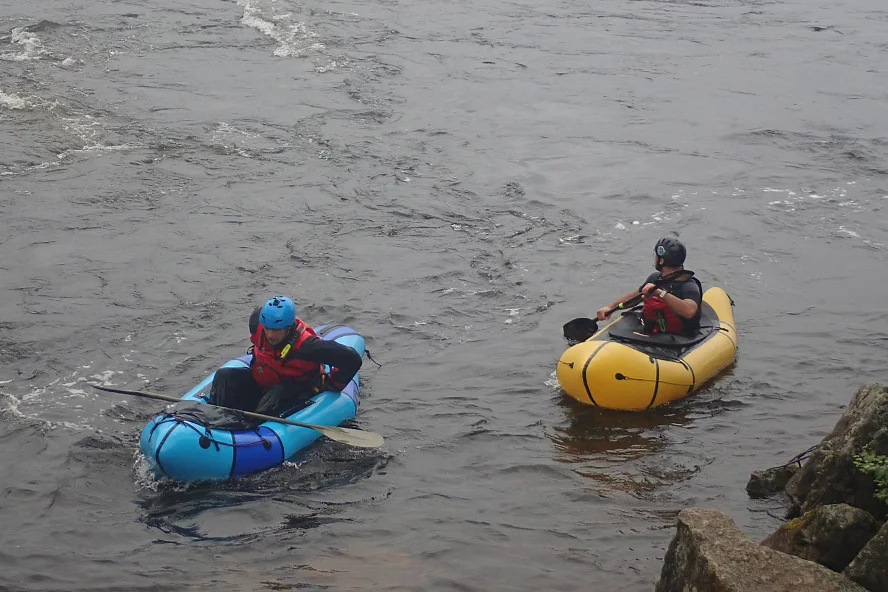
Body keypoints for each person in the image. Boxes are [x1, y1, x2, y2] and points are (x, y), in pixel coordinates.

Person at [207, 296, 363, 417]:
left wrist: (333, 386)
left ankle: (254, 425)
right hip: (263, 380)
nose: (270, 335)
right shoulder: (257, 323)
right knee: (224, 375)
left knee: (277, 392)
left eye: (276, 330)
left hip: (297, 389)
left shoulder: (308, 346)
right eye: (267, 329)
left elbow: (352, 359)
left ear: (288, 328)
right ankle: (214, 418)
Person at [595, 237, 703, 336]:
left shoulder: (689, 285)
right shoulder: (655, 278)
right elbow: (635, 297)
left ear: (661, 261)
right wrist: (610, 308)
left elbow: (689, 311)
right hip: (653, 333)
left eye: (656, 256)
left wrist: (660, 293)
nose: (654, 258)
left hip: (679, 338)